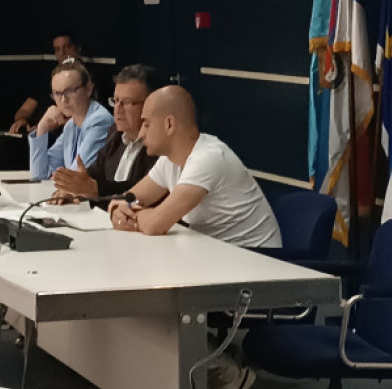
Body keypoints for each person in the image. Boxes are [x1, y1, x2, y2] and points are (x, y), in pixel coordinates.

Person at [109, 85, 281, 249]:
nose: (141, 134)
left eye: (147, 124)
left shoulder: (208, 158)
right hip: (217, 252)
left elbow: (155, 224)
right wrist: (118, 209)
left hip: (257, 257)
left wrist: (131, 215)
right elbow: (129, 198)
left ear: (169, 124)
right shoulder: (168, 160)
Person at [51, 63, 162, 201]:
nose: (118, 109)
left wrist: (94, 188)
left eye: (127, 102)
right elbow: (94, 173)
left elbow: (144, 189)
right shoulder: (116, 134)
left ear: (151, 105)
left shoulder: (161, 145)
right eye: (115, 101)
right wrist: (72, 189)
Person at [28, 58, 111, 181]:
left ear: (88, 89)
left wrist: (59, 176)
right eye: (57, 93)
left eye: (70, 91)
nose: (63, 100)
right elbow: (40, 174)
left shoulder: (100, 121)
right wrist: (42, 128)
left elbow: (74, 177)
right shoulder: (71, 125)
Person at [9, 32, 81, 134]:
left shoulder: (86, 78)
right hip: (41, 133)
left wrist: (60, 123)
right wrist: (22, 120)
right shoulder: (47, 77)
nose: (62, 53)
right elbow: (24, 110)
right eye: (57, 49)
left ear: (77, 49)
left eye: (67, 47)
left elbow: (89, 115)